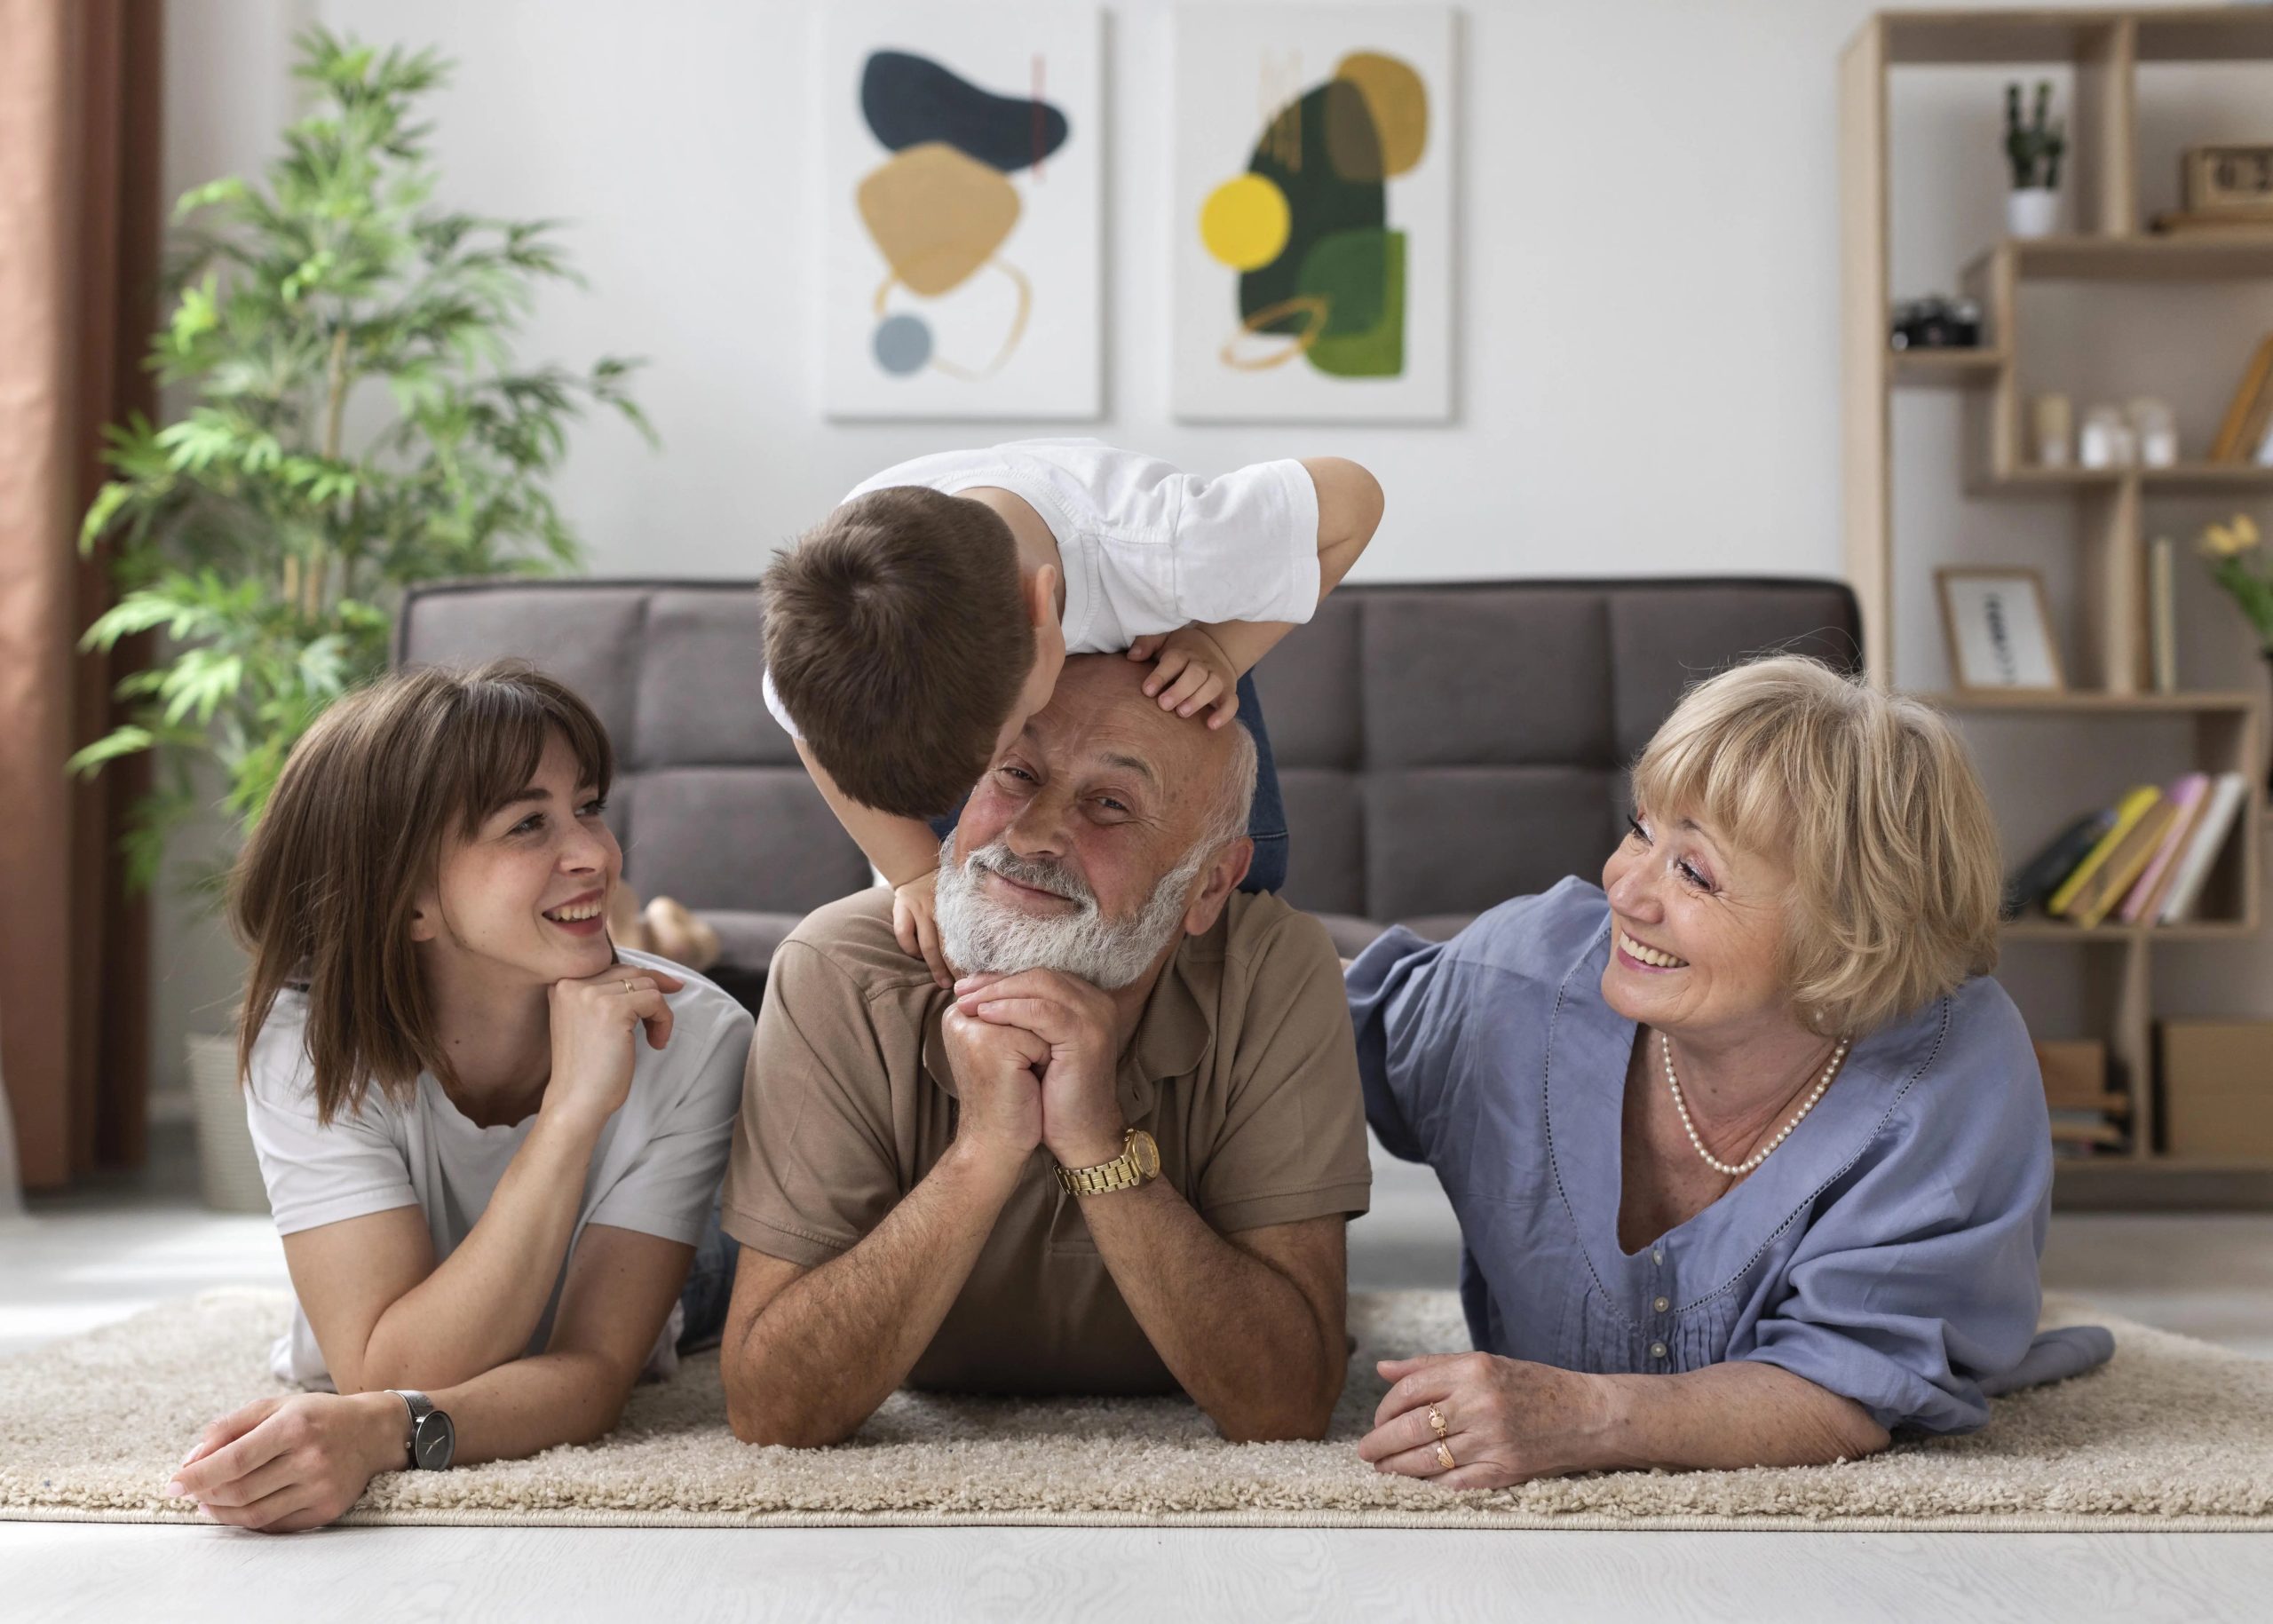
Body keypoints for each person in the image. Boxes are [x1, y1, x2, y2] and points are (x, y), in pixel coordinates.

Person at [1346, 656, 2113, 1488]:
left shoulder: (1951, 1070)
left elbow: (1843, 1381)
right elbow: (1294, 1044)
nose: (1625, 890)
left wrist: (1582, 1417)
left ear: (1848, 924)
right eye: (1641, 829)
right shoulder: (1514, 981)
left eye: (1694, 872)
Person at [715, 654, 1372, 1446]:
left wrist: (1096, 1141)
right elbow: (770, 1409)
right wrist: (983, 1151)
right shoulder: (838, 968)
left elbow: (1287, 1404)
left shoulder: (1276, 969)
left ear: (1209, 886)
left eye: (1109, 804)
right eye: (1017, 772)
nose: (1033, 832)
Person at [162, 662, 753, 1533]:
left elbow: (591, 1373)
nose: (594, 849)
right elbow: (383, 1363)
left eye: (586, 805)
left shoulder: (695, 1037)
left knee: (727, 1265)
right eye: (527, 824)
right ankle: (661, 929)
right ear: (409, 903)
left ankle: (666, 937)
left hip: (682, 1269)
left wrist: (385, 1434)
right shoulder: (310, 1044)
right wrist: (568, 1117)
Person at [760, 439, 1385, 985]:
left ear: (1042, 607)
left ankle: (1352, 993)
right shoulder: (835, 625)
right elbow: (805, 730)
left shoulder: (1171, 547)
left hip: (1158, 636)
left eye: (999, 750)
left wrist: (1221, 645)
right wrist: (913, 871)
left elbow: (1354, 500)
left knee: (1233, 895)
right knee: (955, 926)